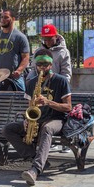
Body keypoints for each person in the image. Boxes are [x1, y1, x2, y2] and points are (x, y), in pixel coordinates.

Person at [2, 48, 72, 186]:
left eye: (45, 65)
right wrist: (28, 120)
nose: (41, 68)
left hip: (57, 119)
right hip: (37, 119)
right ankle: (35, 157)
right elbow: (30, 107)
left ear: (51, 65)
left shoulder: (61, 81)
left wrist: (48, 102)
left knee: (47, 128)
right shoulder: (32, 82)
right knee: (8, 129)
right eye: (39, 65)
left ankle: (35, 169)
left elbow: (68, 107)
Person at [26, 24, 72, 153]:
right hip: (41, 86)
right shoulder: (38, 52)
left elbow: (67, 73)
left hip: (57, 87)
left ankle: (64, 143)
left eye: (49, 38)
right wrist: (30, 82)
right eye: (45, 39)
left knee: (57, 113)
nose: (47, 41)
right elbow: (33, 69)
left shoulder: (63, 51)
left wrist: (60, 84)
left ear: (56, 37)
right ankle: (42, 146)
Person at [0, 8, 30, 91]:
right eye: (2, 17)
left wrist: (19, 71)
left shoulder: (20, 37)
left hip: (14, 78)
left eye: (6, 17)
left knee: (21, 101)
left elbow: (26, 57)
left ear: (13, 19)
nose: (3, 19)